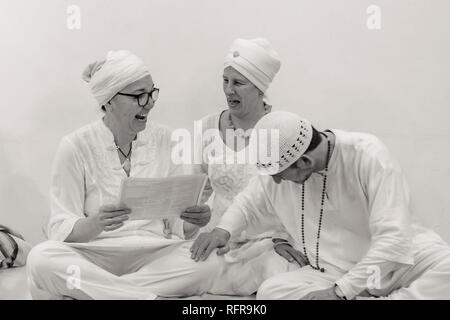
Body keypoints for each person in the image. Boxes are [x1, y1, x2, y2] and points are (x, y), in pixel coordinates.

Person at [191, 111, 450, 299]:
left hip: (398, 265)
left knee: (447, 268)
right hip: (333, 272)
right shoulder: (284, 163)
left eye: (280, 175)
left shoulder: (368, 154)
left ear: (303, 162)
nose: (277, 182)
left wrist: (340, 293)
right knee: (271, 292)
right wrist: (223, 229)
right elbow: (250, 201)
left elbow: (395, 238)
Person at [26, 50, 219, 300]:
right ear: (109, 100)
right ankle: (144, 296)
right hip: (95, 255)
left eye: (152, 93)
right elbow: (60, 228)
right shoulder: (75, 146)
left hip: (155, 252)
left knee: (211, 261)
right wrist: (95, 223)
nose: (149, 103)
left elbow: (176, 225)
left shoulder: (167, 140)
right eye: (139, 96)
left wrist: (196, 219)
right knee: (41, 258)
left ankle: (101, 292)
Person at [191, 38, 300, 295]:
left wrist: (282, 239)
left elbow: (295, 197)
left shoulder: (281, 131)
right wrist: (191, 218)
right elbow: (195, 191)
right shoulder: (206, 127)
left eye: (238, 83)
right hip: (218, 244)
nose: (229, 90)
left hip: (267, 246)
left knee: (282, 280)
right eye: (225, 81)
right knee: (177, 272)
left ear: (260, 89)